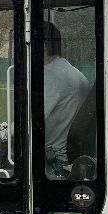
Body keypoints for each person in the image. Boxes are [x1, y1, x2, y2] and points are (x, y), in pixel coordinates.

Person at [42, 22, 92, 178]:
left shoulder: (52, 76)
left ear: (42, 45)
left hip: (49, 163)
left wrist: (4, 133)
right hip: (66, 157)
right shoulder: (72, 73)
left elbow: (28, 123)